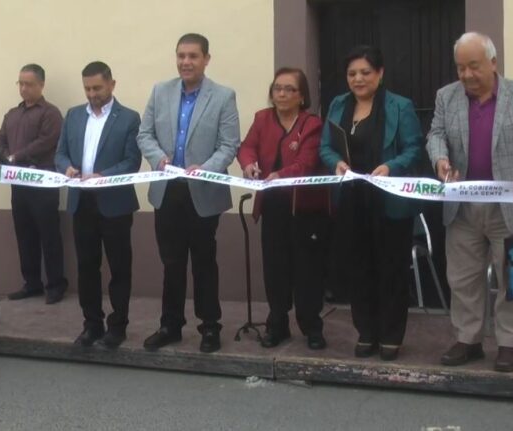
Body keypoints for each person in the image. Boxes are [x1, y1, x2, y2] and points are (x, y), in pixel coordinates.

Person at [427, 32, 513, 372]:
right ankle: (468, 339)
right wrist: (440, 159)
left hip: (510, 204)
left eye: (474, 66)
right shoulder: (446, 96)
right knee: (462, 277)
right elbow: (435, 134)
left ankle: (511, 343)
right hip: (462, 205)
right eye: (460, 67)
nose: (466, 74)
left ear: (493, 63)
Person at [137, 33, 240, 353]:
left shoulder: (223, 96)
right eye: (181, 55)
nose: (186, 62)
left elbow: (229, 144)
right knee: (171, 262)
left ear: (206, 59)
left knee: (204, 262)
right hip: (167, 191)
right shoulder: (160, 91)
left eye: (193, 56)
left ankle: (209, 327)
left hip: (203, 191)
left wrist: (205, 168)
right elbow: (145, 134)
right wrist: (159, 159)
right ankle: (170, 325)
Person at [319, 45, 424, 361]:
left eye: (365, 72)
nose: (358, 79)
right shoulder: (338, 104)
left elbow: (414, 148)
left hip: (389, 200)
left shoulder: (400, 106)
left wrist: (391, 166)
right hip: (352, 199)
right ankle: (366, 331)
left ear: (380, 73)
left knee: (391, 269)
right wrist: (336, 162)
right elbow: (326, 147)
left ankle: (391, 335)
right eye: (352, 73)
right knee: (358, 268)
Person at [237, 67, 329, 350]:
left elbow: (307, 162)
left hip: (304, 208)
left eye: (290, 89)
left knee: (307, 269)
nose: (282, 94)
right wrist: (249, 164)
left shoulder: (312, 124)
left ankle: (311, 326)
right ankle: (277, 324)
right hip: (273, 205)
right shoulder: (262, 118)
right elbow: (246, 147)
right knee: (275, 267)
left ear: (302, 96)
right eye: (277, 88)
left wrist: (280, 175)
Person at [55, 61, 141, 348]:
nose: (92, 94)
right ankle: (91, 324)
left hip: (115, 203)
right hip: (82, 202)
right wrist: (67, 168)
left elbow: (131, 161)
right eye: (87, 89)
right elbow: (60, 154)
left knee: (119, 267)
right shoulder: (73, 115)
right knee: (87, 267)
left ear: (112, 85)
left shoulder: (129, 118)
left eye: (98, 88)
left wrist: (103, 176)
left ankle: (117, 326)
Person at [0, 64, 68, 304]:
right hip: (18, 182)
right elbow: (1, 141)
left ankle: (56, 284)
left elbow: (47, 142)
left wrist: (16, 156)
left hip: (42, 182)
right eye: (21, 83)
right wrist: (5, 156)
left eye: (29, 84)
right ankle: (32, 283)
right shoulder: (12, 114)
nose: (24, 88)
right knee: (24, 234)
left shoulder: (50, 113)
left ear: (41, 85)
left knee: (49, 234)